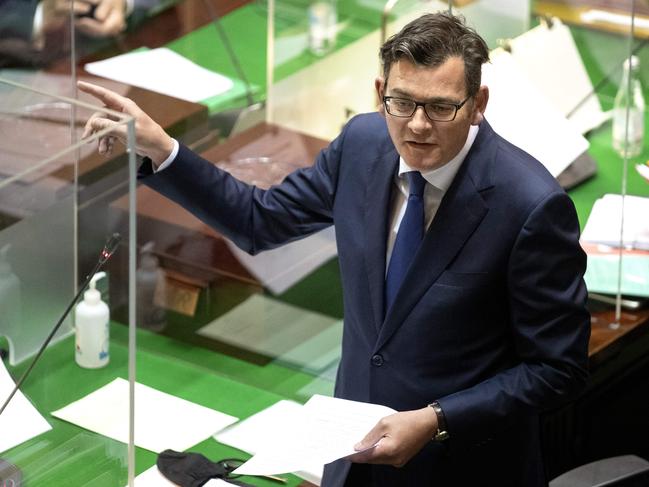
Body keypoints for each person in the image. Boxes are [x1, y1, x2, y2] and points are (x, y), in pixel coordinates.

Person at [78, 11, 590, 486]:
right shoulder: (362, 145)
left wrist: (436, 421)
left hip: (462, 468)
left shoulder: (530, 205)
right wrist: (163, 149)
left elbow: (557, 370)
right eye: (402, 102)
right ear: (379, 93)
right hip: (352, 459)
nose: (416, 125)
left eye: (440, 108)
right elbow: (259, 221)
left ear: (477, 106)